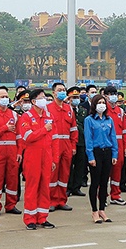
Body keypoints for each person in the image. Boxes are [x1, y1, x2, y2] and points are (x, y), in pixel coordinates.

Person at [17, 88, 56, 229]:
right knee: (32, 187)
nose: (44, 100)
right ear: (34, 101)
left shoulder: (48, 116)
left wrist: (53, 159)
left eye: (45, 97)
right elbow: (28, 137)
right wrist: (44, 129)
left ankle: (42, 217)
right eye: (41, 97)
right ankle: (30, 219)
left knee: (45, 186)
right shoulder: (26, 117)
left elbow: (53, 139)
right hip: (32, 156)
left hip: (46, 155)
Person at [84, 93, 119, 223]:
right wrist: (91, 157)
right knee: (95, 182)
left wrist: (115, 154)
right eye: (99, 103)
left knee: (105, 183)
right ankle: (94, 211)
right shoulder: (89, 120)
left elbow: (113, 137)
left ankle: (102, 209)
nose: (102, 105)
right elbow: (89, 140)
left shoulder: (109, 120)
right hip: (96, 152)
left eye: (104, 103)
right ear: (94, 105)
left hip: (107, 152)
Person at [0, 86, 22, 216]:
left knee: (13, 179)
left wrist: (19, 152)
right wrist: (5, 128)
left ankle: (11, 205)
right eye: (2, 97)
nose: (5, 99)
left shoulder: (14, 114)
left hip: (12, 151)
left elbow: (19, 135)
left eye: (6, 96)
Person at [47, 82, 78, 212]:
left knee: (65, 173)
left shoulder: (69, 109)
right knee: (53, 174)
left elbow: (74, 128)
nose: (62, 92)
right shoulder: (48, 109)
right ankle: (51, 200)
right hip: (54, 144)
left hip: (66, 145)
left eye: (63, 90)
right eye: (59, 90)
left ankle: (62, 200)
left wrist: (73, 145)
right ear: (54, 92)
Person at [104, 87, 126, 206]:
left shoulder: (120, 111)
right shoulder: (103, 111)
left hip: (119, 145)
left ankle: (115, 195)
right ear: (105, 96)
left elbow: (125, 131)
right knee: (104, 172)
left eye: (114, 93)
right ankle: (103, 196)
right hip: (106, 145)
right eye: (110, 94)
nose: (113, 96)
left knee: (117, 171)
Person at [68, 84, 89, 197]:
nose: (75, 100)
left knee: (80, 166)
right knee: (69, 166)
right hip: (69, 142)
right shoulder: (66, 110)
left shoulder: (83, 111)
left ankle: (76, 187)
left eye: (77, 97)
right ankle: (68, 187)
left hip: (81, 141)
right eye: (73, 97)